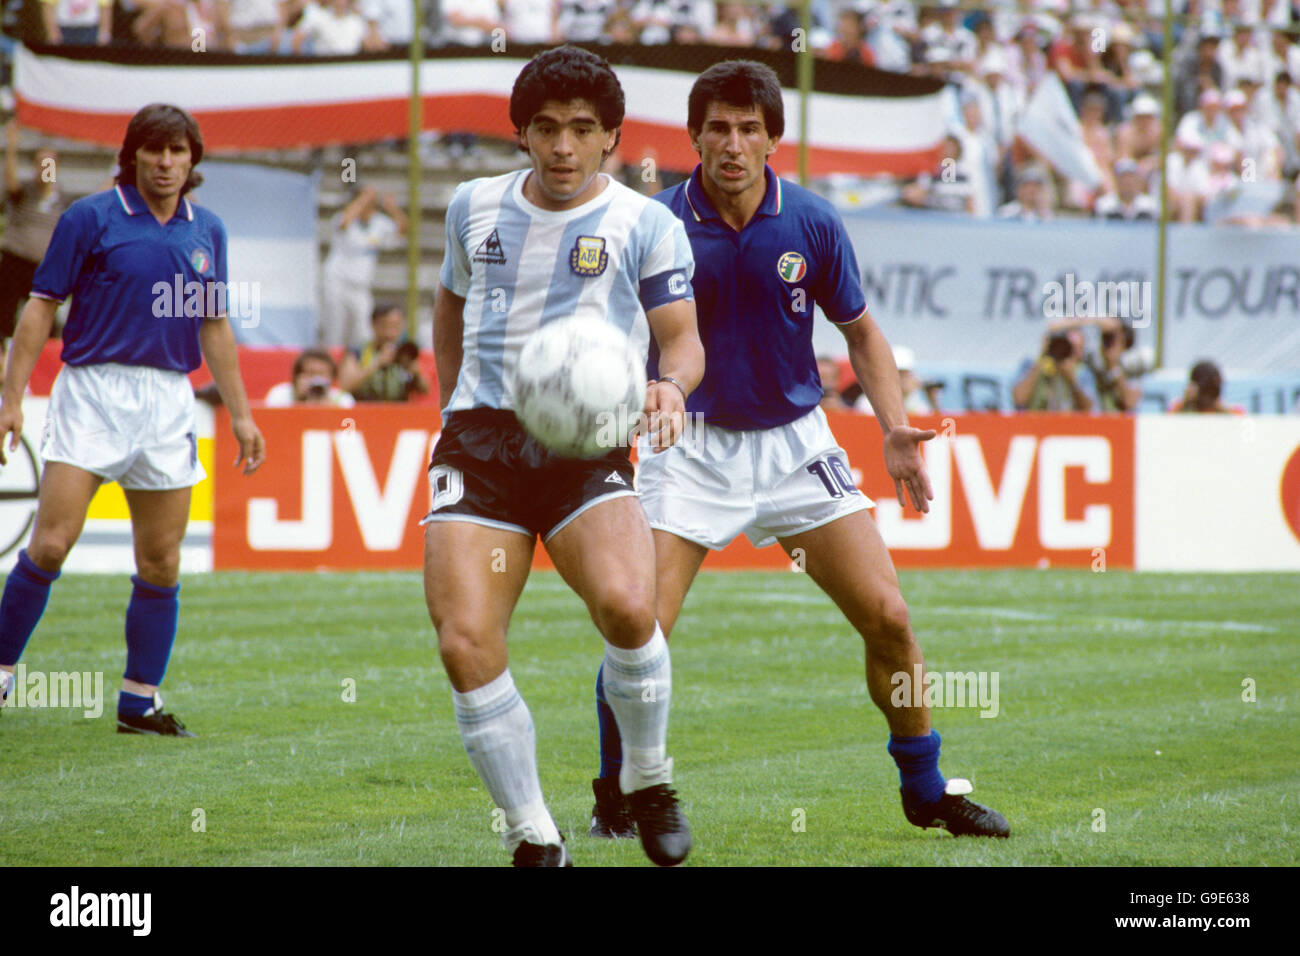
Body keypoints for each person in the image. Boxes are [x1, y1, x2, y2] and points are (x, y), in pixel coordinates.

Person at [589, 60, 1009, 843]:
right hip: (690, 446)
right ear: (693, 136)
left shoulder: (811, 222)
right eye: (718, 127)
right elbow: (611, 337)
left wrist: (892, 427)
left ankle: (925, 789)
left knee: (888, 616)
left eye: (750, 128)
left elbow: (862, 333)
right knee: (638, 628)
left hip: (795, 447)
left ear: (773, 139)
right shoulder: (652, 225)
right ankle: (617, 794)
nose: (733, 144)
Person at [424, 45, 704, 867]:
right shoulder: (472, 207)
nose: (562, 148)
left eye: (582, 131)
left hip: (586, 446)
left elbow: (682, 341)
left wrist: (671, 389)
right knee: (465, 640)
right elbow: (449, 304)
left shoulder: (646, 223)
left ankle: (649, 779)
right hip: (481, 445)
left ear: (612, 139)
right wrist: (453, 400)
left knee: (628, 606)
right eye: (545, 130)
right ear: (520, 135)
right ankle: (533, 834)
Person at [0, 104, 266, 734]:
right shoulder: (91, 218)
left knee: (161, 561)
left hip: (169, 399)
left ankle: (138, 704)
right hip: (92, 393)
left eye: (178, 151)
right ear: (134, 156)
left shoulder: (209, 231)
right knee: (51, 544)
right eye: (154, 151)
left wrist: (242, 413)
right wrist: (11, 398)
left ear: (193, 159)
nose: (166, 163)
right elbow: (40, 309)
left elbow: (215, 325)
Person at [1, 121, 66, 390]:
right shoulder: (23, 193)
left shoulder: (62, 202)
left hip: (42, 266)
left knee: (44, 319)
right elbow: (12, 180)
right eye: (40, 163)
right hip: (15, 258)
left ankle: (42, 368)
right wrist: (12, 146)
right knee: (4, 312)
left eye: (49, 163)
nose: (44, 168)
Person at [318, 185, 406, 350]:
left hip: (361, 286)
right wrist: (363, 198)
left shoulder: (379, 222)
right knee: (335, 330)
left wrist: (392, 209)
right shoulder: (344, 218)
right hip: (337, 282)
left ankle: (359, 366)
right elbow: (343, 223)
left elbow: (403, 229)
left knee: (363, 332)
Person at [337, 303, 429, 402]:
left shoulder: (405, 351)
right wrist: (377, 364)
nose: (389, 333)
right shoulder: (357, 351)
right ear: (373, 324)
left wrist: (416, 374)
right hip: (365, 411)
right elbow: (345, 386)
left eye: (395, 326)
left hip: (398, 412)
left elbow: (425, 389)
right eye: (384, 326)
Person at [1012, 327, 1095, 412]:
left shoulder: (1082, 371)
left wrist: (1071, 379)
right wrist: (1040, 361)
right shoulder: (1030, 365)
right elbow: (1019, 399)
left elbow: (1087, 408)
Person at [264, 347, 355, 406]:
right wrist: (298, 400)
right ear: (298, 376)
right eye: (310, 373)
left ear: (332, 377)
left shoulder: (343, 399)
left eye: (321, 374)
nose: (316, 380)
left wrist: (329, 408)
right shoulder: (280, 394)